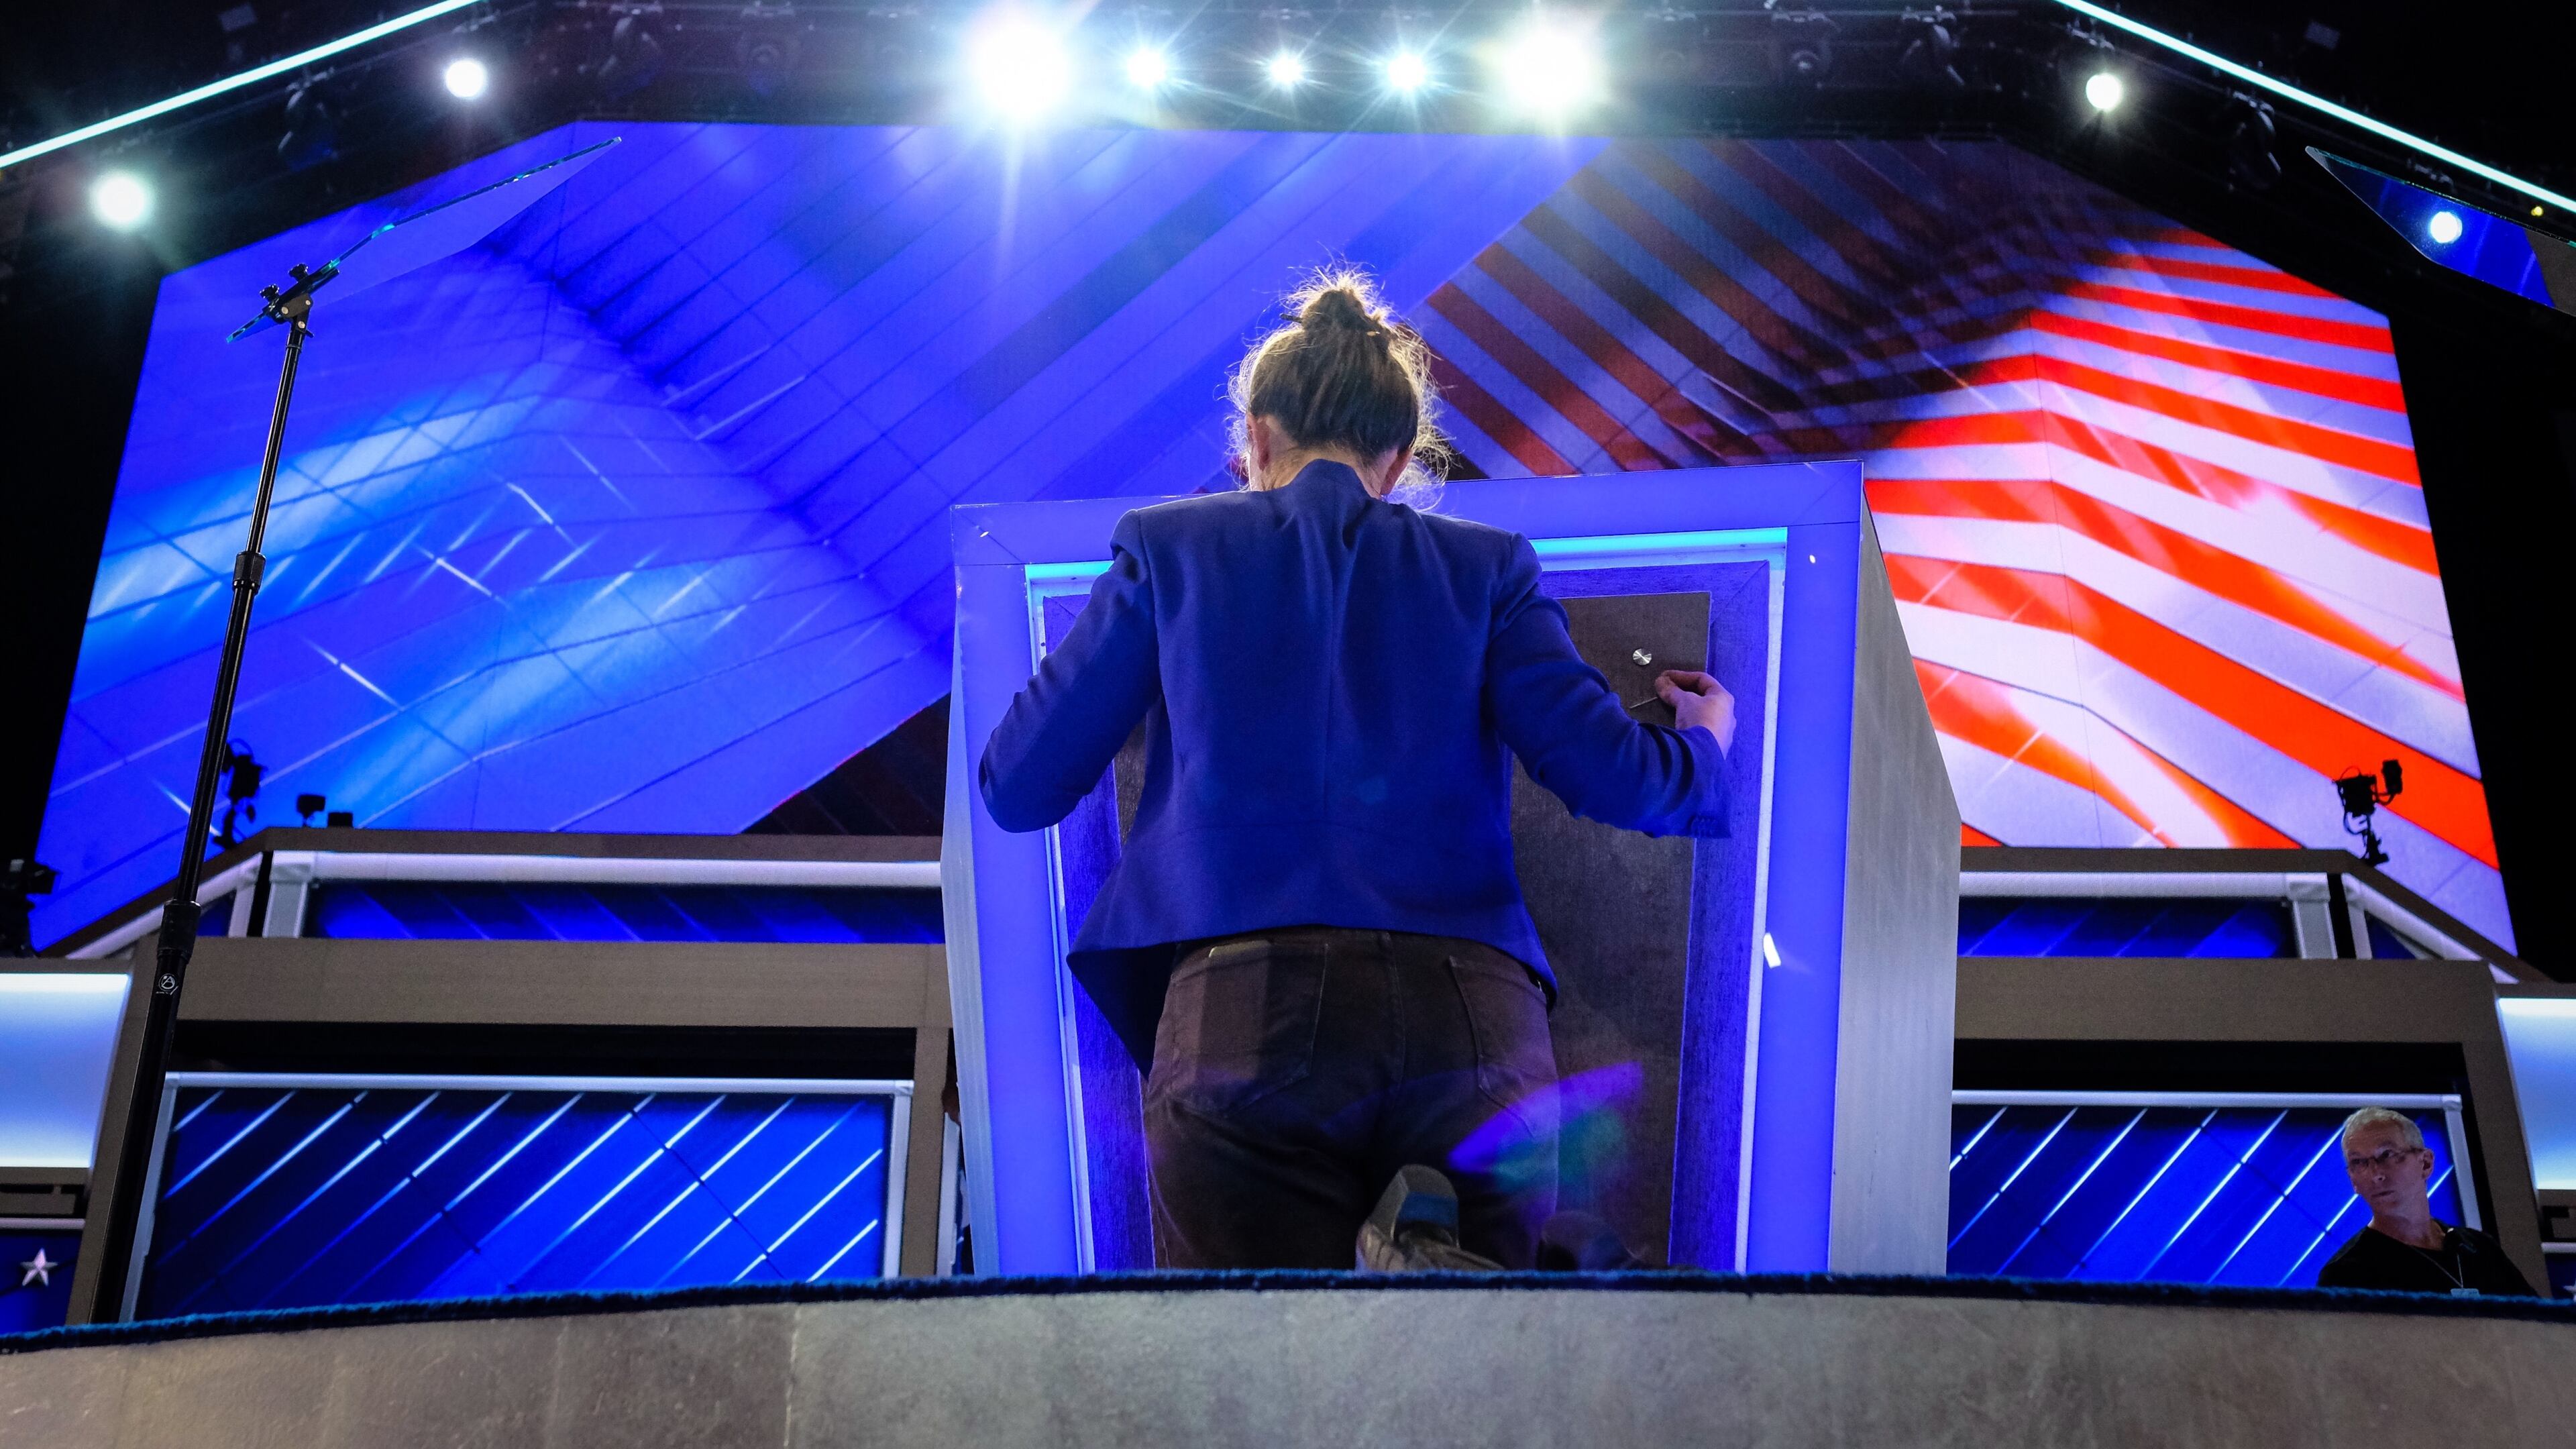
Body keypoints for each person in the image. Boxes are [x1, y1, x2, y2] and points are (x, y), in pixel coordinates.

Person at [978, 270, 1736, 1271]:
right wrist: (1706, 745)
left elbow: (1020, 783)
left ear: (1253, 438)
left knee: (1262, 1387)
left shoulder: (1169, 549)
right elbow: (1615, 777)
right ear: (1397, 461)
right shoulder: (1489, 568)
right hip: (1471, 1028)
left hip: (1243, 1022)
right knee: (1474, 1394)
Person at [2314, 1106, 2535, 1296]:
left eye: (2387, 1154)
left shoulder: (2480, 1248)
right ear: (2352, 1180)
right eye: (2359, 1162)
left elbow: (2537, 1328)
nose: (2375, 1174)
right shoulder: (2345, 1273)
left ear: (2426, 1163)